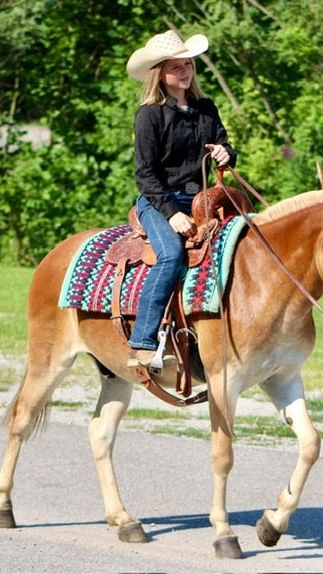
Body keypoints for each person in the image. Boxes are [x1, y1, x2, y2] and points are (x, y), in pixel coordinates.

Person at [125, 29, 238, 368]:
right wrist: (172, 213)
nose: (185, 72)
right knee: (171, 255)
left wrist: (225, 152)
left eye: (188, 65)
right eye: (176, 67)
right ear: (160, 72)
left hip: (205, 199)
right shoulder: (149, 115)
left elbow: (226, 146)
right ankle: (143, 340)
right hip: (159, 201)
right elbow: (145, 174)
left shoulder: (206, 107)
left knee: (241, 245)